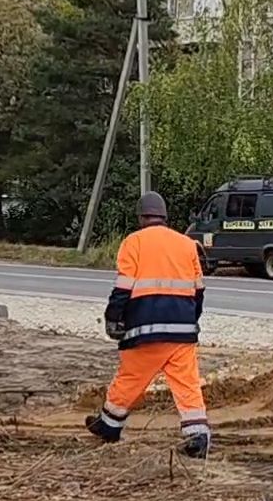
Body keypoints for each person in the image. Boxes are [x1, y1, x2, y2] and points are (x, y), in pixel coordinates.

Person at [87, 192, 212, 458]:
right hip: (182, 329)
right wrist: (192, 321)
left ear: (142, 217)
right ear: (165, 217)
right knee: (187, 384)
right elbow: (198, 291)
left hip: (145, 329)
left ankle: (109, 425)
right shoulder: (187, 244)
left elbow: (123, 289)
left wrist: (113, 318)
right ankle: (198, 435)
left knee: (131, 377)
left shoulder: (133, 243)